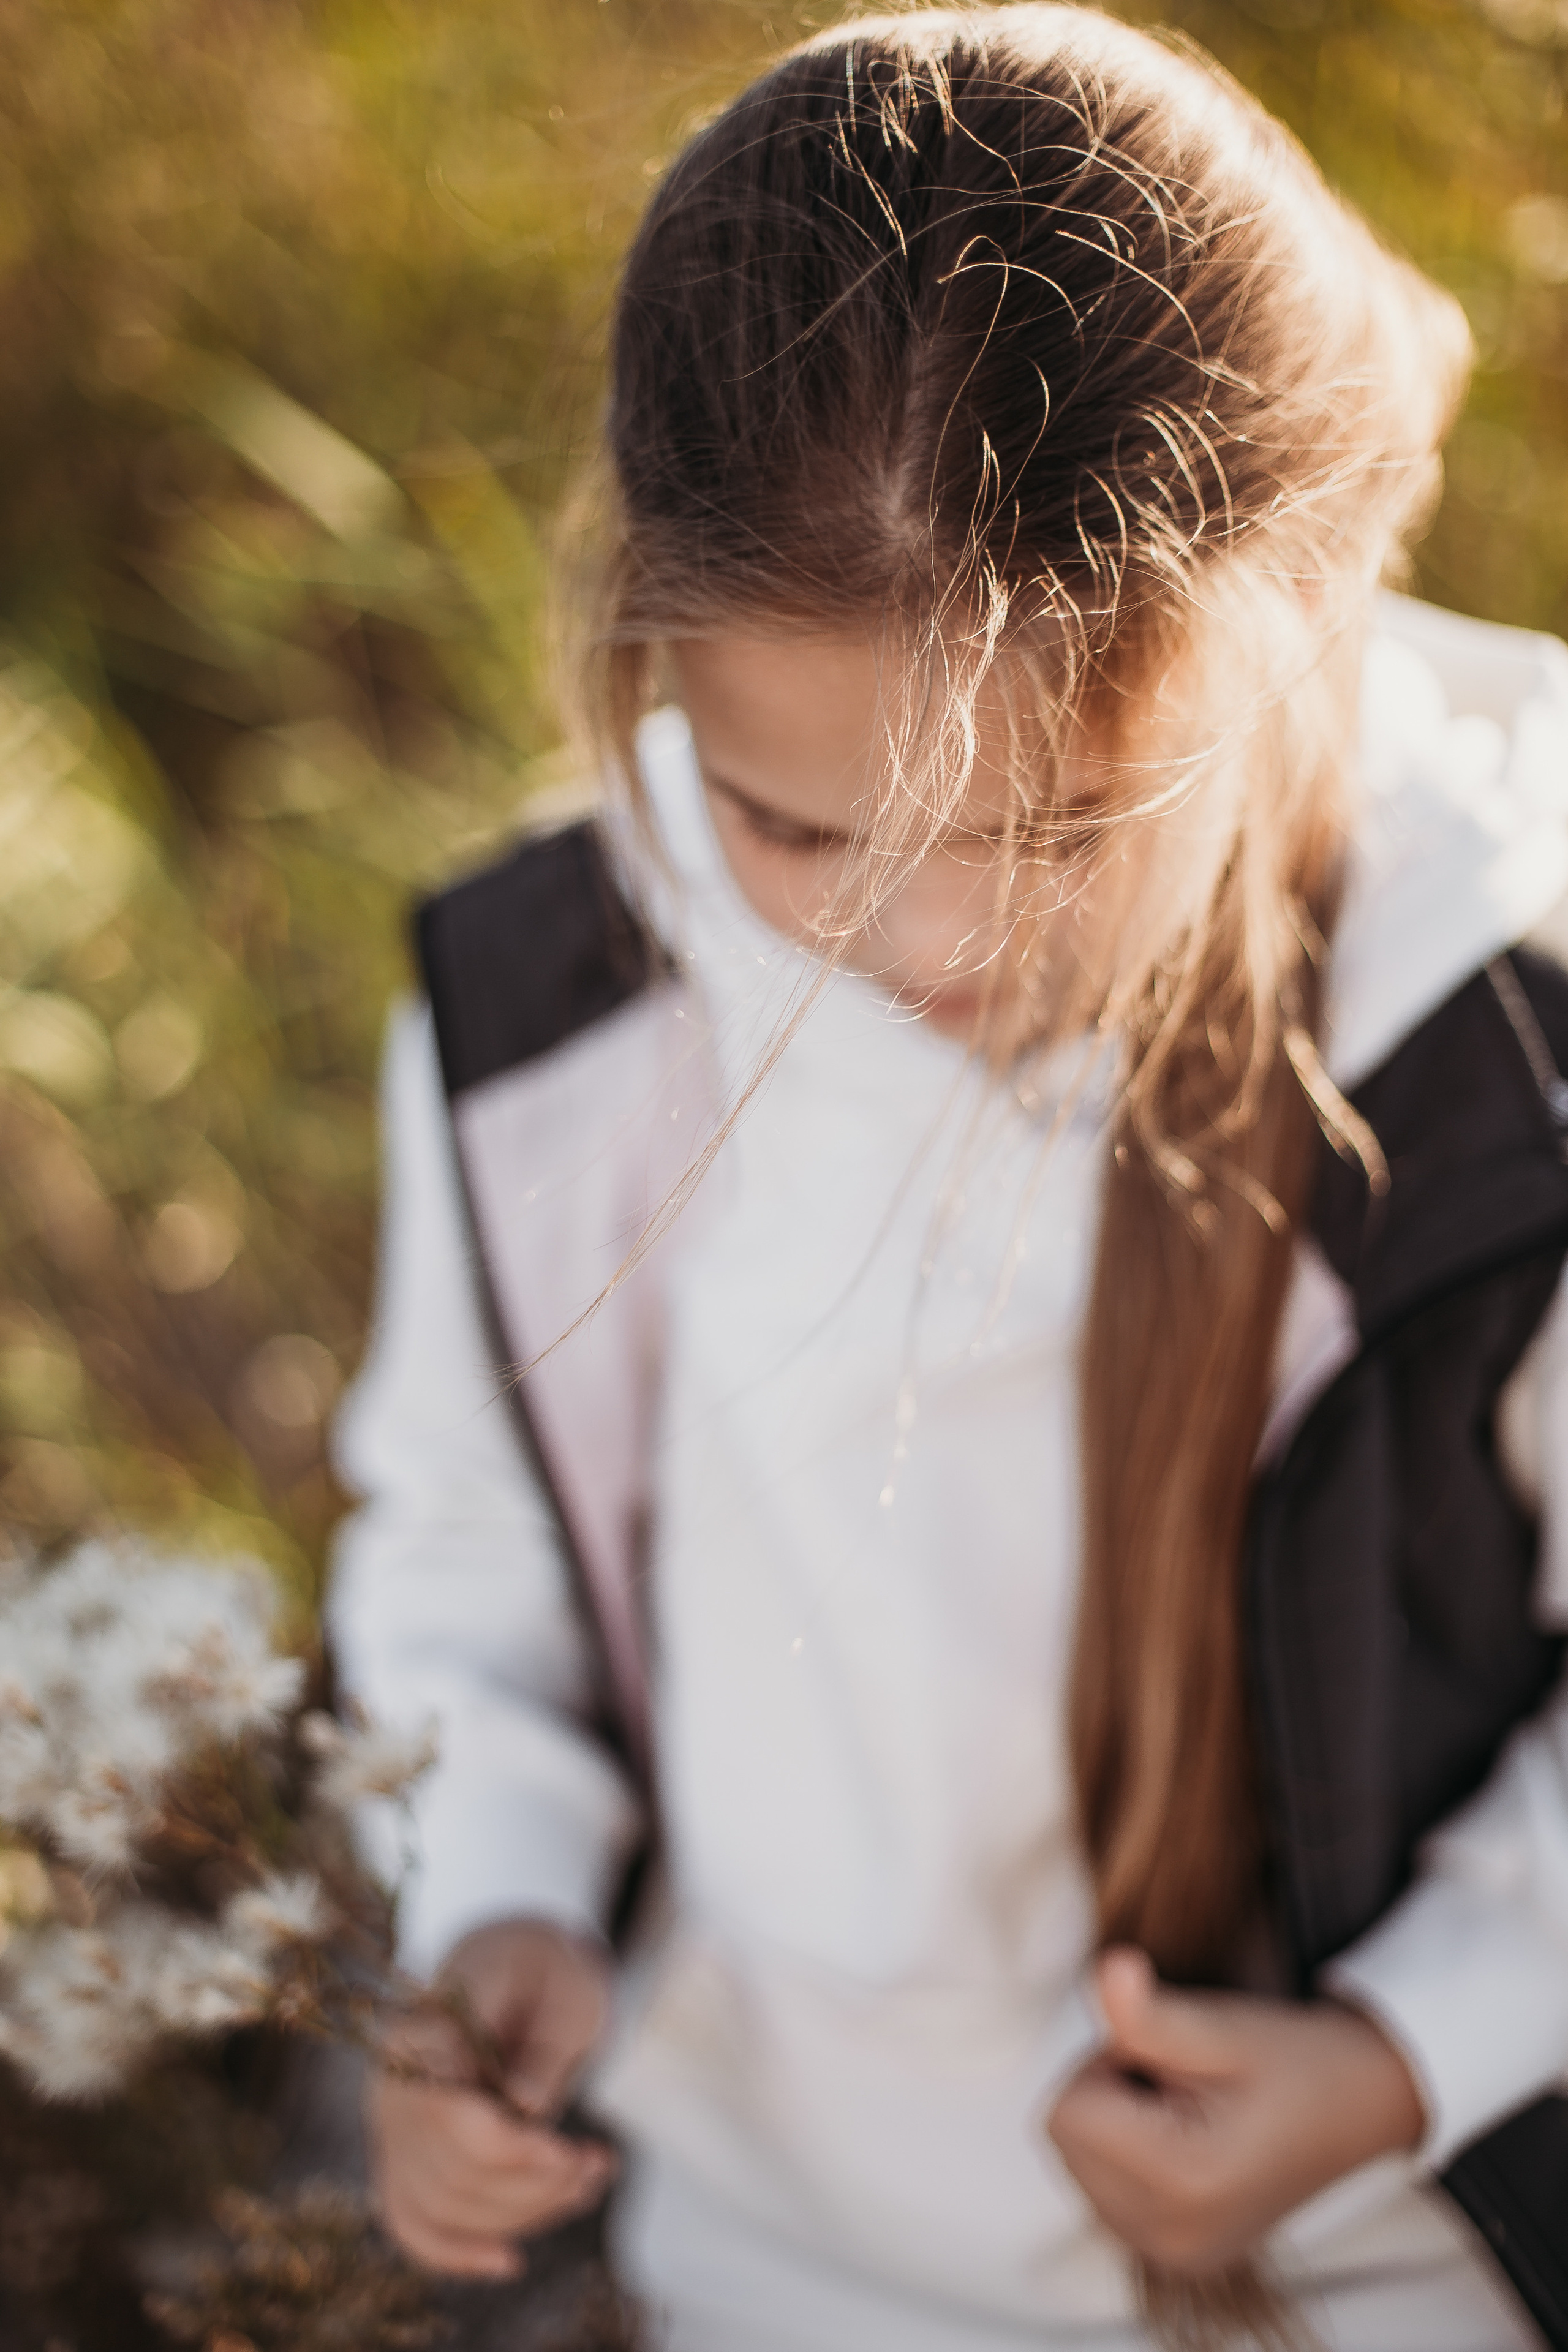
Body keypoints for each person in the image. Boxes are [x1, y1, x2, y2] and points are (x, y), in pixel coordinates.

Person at [327, 10, 1568, 2348]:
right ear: (647, 650)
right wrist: (491, 1899)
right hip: (756, 2265)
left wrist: (1422, 2043)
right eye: (799, 827)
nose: (929, 948)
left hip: (1371, 2278)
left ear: (1299, 607)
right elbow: (467, 1553)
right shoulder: (551, 1007)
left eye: (1066, 833)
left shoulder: (1509, 1042)